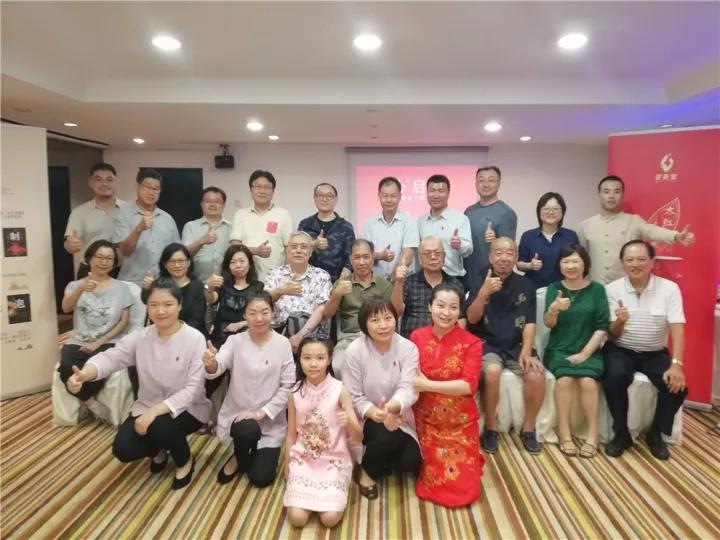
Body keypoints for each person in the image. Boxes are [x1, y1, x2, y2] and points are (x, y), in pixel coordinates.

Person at [66, 278, 211, 490]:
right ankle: (158, 450)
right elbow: (112, 357)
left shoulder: (194, 339)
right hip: (147, 405)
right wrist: (85, 374)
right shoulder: (141, 337)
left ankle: (185, 461)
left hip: (187, 408)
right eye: (154, 305)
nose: (160, 311)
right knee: (123, 449)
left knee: (161, 427)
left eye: (168, 304)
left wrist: (153, 413)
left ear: (179, 306)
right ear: (147, 307)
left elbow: (193, 390)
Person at [603, 240, 688, 460]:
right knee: (614, 377)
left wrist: (677, 364)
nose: (635, 264)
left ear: (652, 262)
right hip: (621, 348)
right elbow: (612, 334)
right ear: (622, 263)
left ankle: (656, 433)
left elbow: (677, 327)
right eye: (630, 260)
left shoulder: (669, 289)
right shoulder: (612, 289)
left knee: (677, 387)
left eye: (641, 259)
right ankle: (621, 433)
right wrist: (620, 321)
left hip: (654, 351)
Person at [203, 291, 295, 486]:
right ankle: (239, 457)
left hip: (269, 420)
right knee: (247, 429)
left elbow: (288, 386)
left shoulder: (283, 344)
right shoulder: (235, 341)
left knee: (261, 478)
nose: (259, 318)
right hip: (240, 416)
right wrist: (210, 363)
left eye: (264, 312)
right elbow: (217, 367)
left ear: (273, 312)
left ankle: (250, 451)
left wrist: (262, 412)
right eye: (252, 313)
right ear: (244, 315)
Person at [467, 237, 545, 454]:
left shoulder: (526, 285)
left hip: (516, 344)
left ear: (516, 257)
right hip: (487, 342)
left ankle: (528, 429)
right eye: (499, 253)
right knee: (492, 371)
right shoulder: (478, 279)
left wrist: (527, 351)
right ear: (491, 256)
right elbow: (471, 319)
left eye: (509, 253)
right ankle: (491, 428)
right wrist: (483, 292)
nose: (504, 257)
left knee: (536, 374)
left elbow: (530, 323)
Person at [411, 284, 484, 507]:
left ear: (460, 311)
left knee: (464, 489)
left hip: (459, 421)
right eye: (440, 305)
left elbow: (468, 386)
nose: (446, 313)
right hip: (426, 419)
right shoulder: (417, 337)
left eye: (453, 307)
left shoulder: (472, 343)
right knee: (434, 476)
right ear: (429, 306)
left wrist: (428, 384)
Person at [342, 297, 421, 499]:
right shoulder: (355, 351)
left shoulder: (408, 348)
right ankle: (366, 471)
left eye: (388, 318)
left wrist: (391, 407)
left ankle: (380, 455)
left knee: (411, 462)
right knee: (388, 435)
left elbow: (409, 387)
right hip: (366, 417)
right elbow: (353, 395)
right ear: (364, 324)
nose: (383, 325)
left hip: (399, 415)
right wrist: (376, 413)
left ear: (395, 319)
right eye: (375, 320)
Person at [284, 338, 362, 529]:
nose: (313, 364)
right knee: (297, 518)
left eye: (320, 358)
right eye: (307, 358)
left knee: (330, 519)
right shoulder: (294, 393)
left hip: (334, 461)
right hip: (303, 461)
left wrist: (349, 422)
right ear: (299, 359)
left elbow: (358, 437)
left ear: (329, 360)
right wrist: (287, 468)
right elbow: (291, 434)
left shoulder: (340, 390)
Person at [543, 244, 609, 458]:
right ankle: (565, 433)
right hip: (559, 349)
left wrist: (585, 354)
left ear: (585, 264)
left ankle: (592, 435)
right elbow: (549, 323)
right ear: (559, 265)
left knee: (588, 382)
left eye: (575, 261)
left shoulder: (597, 290)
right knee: (564, 381)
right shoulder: (554, 288)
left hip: (589, 350)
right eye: (566, 261)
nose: (570, 266)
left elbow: (602, 327)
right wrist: (554, 309)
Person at [59, 240, 133, 415]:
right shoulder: (75, 285)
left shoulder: (122, 288)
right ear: (89, 259)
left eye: (109, 258)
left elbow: (123, 322)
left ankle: (87, 398)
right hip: (78, 340)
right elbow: (66, 308)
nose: (104, 262)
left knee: (99, 367)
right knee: (66, 367)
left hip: (109, 340)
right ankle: (90, 402)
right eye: (99, 257)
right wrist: (81, 289)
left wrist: (99, 342)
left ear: (114, 262)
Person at [578, 175, 695, 284]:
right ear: (599, 194)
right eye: (606, 191)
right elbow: (580, 259)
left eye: (617, 191)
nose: (611, 196)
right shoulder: (586, 225)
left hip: (625, 288)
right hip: (595, 288)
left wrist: (676, 237)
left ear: (622, 195)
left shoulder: (633, 221)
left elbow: (652, 231)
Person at [322, 239, 393, 374]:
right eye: (357, 257)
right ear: (350, 259)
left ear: (373, 257)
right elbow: (327, 314)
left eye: (366, 257)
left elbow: (396, 314)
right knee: (337, 366)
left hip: (378, 337)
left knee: (383, 368)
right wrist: (337, 294)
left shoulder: (385, 285)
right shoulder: (342, 283)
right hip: (349, 338)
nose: (361, 262)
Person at [265, 231, 332, 351]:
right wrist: (281, 291)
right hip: (278, 333)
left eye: (304, 247)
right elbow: (264, 301)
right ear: (286, 251)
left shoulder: (321, 275)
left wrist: (300, 336)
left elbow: (322, 309)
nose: (298, 251)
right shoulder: (275, 273)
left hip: (311, 336)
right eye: (294, 247)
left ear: (310, 252)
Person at [114, 169, 180, 286]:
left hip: (161, 284)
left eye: (156, 189)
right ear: (137, 186)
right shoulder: (123, 213)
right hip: (132, 284)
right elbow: (124, 251)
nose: (151, 192)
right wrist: (139, 228)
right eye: (147, 187)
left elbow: (176, 253)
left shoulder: (167, 219)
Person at [391, 236, 465, 338]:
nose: (433, 257)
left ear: (444, 257)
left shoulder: (455, 284)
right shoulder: (409, 282)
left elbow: (461, 318)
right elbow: (395, 312)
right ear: (419, 259)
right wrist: (399, 282)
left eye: (437, 253)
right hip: (413, 342)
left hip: (446, 341)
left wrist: (457, 341)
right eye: (427, 253)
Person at [64, 162, 127, 278]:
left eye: (109, 179)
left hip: (121, 271)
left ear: (116, 182)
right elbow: (70, 244)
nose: (104, 184)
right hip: (89, 271)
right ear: (90, 182)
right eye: (98, 179)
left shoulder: (128, 210)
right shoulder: (79, 212)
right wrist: (69, 245)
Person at [464, 166, 517, 294]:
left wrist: (494, 241)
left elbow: (507, 251)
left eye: (491, 180)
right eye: (481, 180)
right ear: (476, 183)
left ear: (499, 183)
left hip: (492, 278)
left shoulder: (506, 213)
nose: (486, 184)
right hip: (467, 276)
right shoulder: (469, 211)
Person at [230, 170, 293, 280]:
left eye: (267, 187)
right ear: (251, 189)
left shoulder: (284, 214)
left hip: (276, 278)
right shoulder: (240, 214)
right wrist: (256, 251)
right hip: (246, 279)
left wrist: (287, 276)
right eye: (258, 186)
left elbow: (289, 248)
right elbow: (234, 247)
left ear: (273, 191)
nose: (262, 191)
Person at [204, 244, 265, 348]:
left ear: (250, 263)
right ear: (228, 266)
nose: (238, 265)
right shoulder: (223, 284)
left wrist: (241, 324)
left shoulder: (258, 287)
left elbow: (261, 316)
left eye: (242, 261)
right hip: (221, 337)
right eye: (233, 262)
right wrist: (208, 287)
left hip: (247, 338)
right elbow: (211, 299)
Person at [518, 192, 580, 288]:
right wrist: (530, 265)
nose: (551, 212)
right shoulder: (528, 236)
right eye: (546, 208)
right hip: (534, 290)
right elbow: (519, 264)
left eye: (556, 209)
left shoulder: (570, 236)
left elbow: (578, 263)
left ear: (562, 212)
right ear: (539, 211)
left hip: (564, 289)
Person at [362, 177, 419, 281]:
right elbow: (364, 254)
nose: (389, 200)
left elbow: (408, 256)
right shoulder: (369, 223)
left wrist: (391, 280)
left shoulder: (409, 222)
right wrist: (380, 256)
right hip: (375, 282)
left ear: (400, 197)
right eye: (385, 196)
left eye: (393, 196)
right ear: (379, 196)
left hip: (402, 281)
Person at [142, 243, 206, 335]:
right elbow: (146, 302)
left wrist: (176, 336)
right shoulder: (158, 285)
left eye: (181, 261)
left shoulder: (197, 286)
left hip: (192, 335)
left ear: (188, 262)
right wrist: (147, 289)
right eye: (172, 261)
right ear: (165, 264)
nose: (177, 265)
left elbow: (197, 319)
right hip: (162, 333)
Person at [298, 183, 356, 283]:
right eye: (320, 195)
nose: (324, 199)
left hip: (338, 282)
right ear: (315, 198)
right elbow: (297, 253)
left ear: (336, 199)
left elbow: (350, 258)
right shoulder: (305, 225)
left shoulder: (345, 227)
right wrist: (314, 244)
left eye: (329, 196)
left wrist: (340, 283)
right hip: (309, 283)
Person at [417, 174, 473, 278]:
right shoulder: (421, 221)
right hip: (426, 278)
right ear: (427, 193)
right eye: (432, 191)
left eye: (441, 191)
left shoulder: (460, 219)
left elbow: (468, 251)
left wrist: (459, 245)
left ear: (448, 193)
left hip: (453, 277)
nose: (436, 195)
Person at [181, 187, 232, 283]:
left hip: (226, 284)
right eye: (208, 201)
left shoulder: (231, 228)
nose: (213, 205)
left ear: (224, 205)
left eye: (217, 202)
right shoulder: (190, 226)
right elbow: (183, 255)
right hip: (197, 283)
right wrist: (201, 241)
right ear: (202, 204)